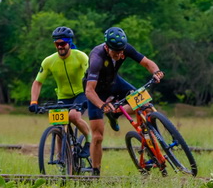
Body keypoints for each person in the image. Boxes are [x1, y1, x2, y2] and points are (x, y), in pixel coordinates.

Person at [84, 27, 164, 176]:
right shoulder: (97, 57)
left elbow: (147, 62)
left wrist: (156, 71)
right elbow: (89, 90)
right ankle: (95, 171)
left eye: (122, 52)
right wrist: (102, 105)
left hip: (115, 83)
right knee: (98, 136)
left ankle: (152, 148)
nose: (120, 55)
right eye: (116, 52)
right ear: (107, 47)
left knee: (145, 105)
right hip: (96, 92)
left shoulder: (124, 48)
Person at [29, 26, 91, 157]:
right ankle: (61, 158)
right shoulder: (49, 61)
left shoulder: (81, 57)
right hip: (63, 96)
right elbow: (37, 82)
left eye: (62, 43)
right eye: (57, 44)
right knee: (59, 125)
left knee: (73, 116)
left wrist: (90, 96)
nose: (60, 47)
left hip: (81, 93)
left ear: (69, 43)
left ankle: (89, 140)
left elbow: (90, 77)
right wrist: (34, 101)